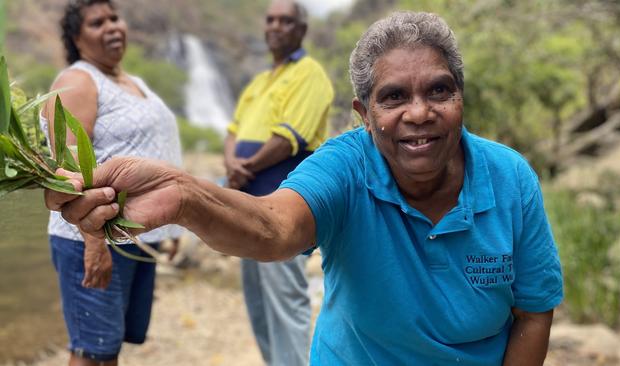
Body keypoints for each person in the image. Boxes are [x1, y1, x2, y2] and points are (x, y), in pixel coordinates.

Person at [46, 11, 563, 365]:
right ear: (364, 115)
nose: (420, 113)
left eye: (439, 90)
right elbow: (273, 227)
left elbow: (533, 312)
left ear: (460, 97)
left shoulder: (510, 178)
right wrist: (185, 196)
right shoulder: (345, 163)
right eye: (393, 97)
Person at [40, 0, 183, 365]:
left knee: (109, 347)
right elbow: (69, 172)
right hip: (91, 237)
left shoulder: (133, 82)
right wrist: (93, 243)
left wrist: (175, 221)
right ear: (77, 37)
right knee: (92, 351)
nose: (112, 27)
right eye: (96, 22)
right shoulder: (77, 82)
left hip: (131, 236)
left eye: (114, 18)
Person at [223, 0, 333, 364]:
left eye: (286, 20)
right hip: (246, 204)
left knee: (286, 300)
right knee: (257, 301)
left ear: (301, 29)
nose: (276, 26)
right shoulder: (259, 81)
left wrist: (245, 167)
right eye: (271, 20)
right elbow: (233, 131)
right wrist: (230, 162)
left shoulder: (310, 73)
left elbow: (290, 139)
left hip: (282, 208)